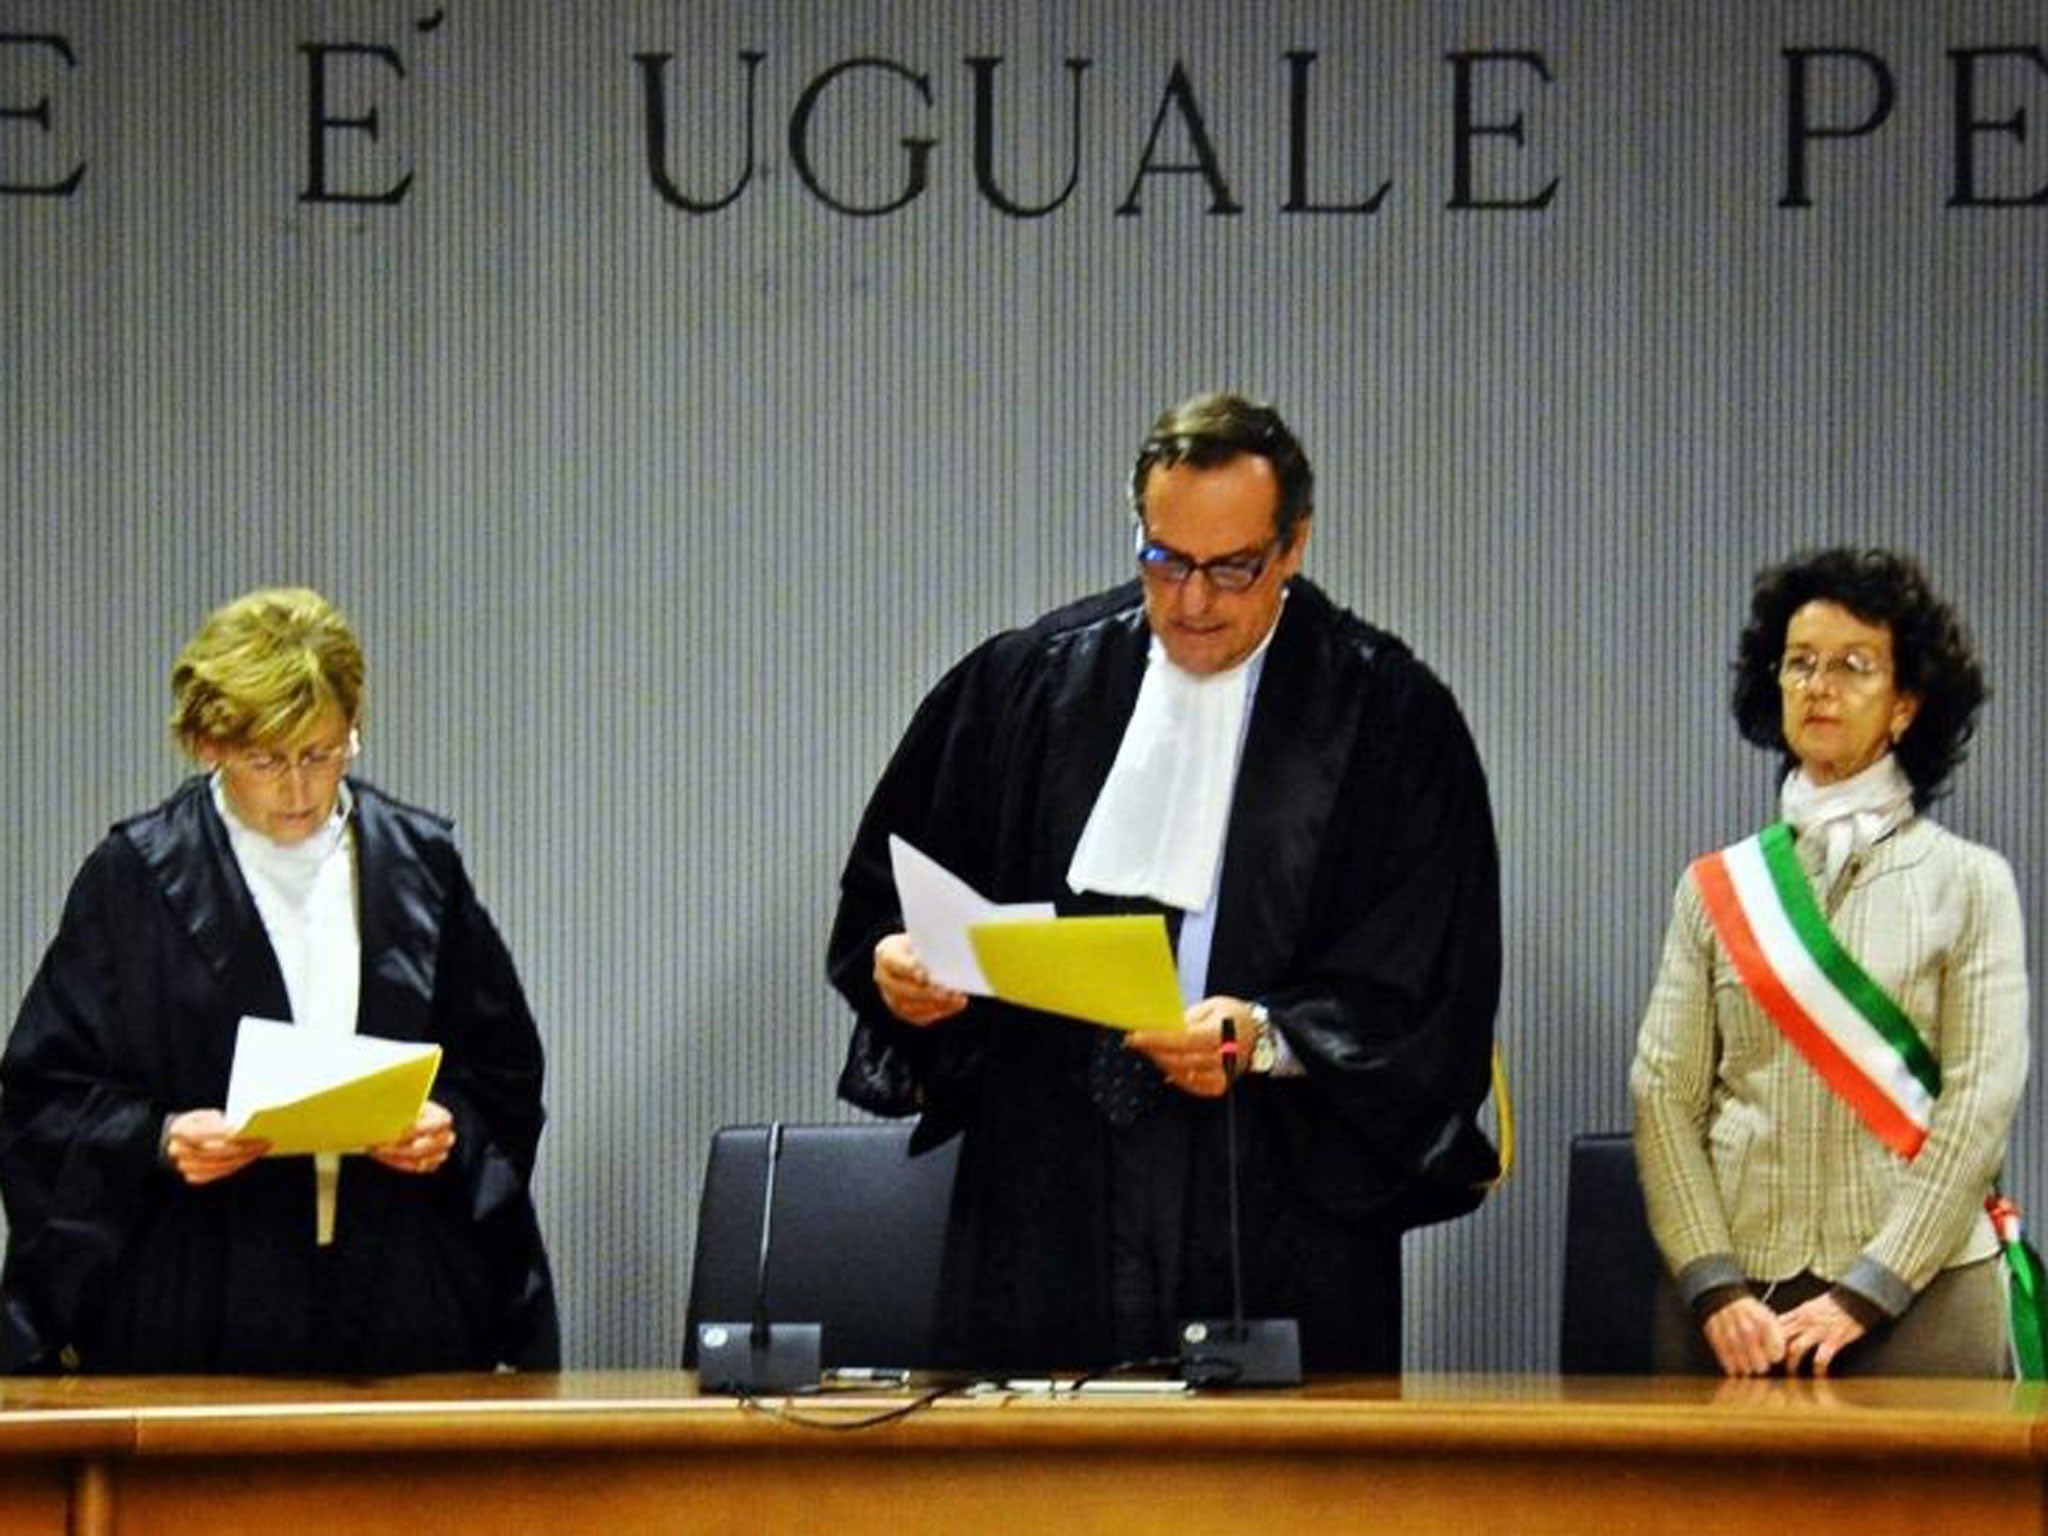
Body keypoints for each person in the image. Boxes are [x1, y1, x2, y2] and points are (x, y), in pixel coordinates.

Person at [828, 392, 1501, 1374]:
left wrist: (1268, 1038)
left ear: (1294, 544)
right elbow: (889, 893)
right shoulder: (1028, 683)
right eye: (1164, 559)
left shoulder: (1386, 716)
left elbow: (1426, 981)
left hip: (1264, 1188)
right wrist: (898, 964)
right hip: (1049, 1181)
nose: (1192, 600)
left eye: (1233, 567)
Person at [0, 587, 559, 1373]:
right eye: (266, 760)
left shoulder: (418, 868)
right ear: (207, 744)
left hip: (398, 1295)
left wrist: (448, 1127)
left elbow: (503, 1073)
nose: (299, 789)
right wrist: (157, 1141)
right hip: (200, 1304)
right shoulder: (136, 879)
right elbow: (40, 1100)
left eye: (324, 753)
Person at [1631, 548, 2029, 1377]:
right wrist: (1712, 1285)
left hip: (1921, 1307)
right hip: (1735, 1316)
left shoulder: (1970, 884)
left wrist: (1869, 1290)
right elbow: (1662, 1093)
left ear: (1905, 705)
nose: (1821, 686)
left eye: (1855, 666)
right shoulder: (1715, 889)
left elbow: (1979, 1106)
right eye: (1801, 664)